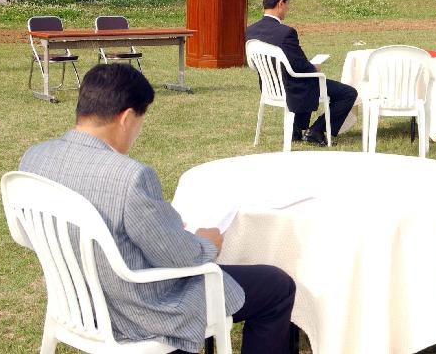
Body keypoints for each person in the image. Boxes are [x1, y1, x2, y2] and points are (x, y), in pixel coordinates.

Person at [19, 64, 296, 354]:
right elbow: (182, 258)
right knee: (276, 287)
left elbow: (26, 233)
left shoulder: (34, 159)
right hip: (140, 310)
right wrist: (207, 243)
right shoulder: (130, 177)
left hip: (78, 301)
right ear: (127, 118)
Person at [246, 0, 358, 146]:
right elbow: (301, 67)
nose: (288, 9)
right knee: (348, 93)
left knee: (305, 78)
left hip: (270, 86)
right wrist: (315, 67)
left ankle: (296, 128)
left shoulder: (250, 31)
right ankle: (316, 130)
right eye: (288, 5)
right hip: (293, 88)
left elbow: (255, 63)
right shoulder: (286, 33)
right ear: (281, 3)